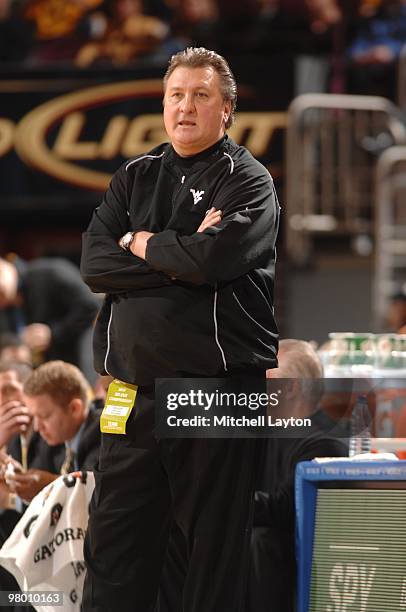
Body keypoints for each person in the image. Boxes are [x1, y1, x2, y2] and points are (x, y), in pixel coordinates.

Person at [80, 46, 280, 612]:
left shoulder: (250, 180)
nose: (185, 106)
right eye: (175, 94)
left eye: (200, 95)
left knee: (209, 559)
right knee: (114, 552)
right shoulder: (134, 175)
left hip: (213, 392)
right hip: (128, 392)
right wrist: (181, 252)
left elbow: (213, 262)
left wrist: (140, 243)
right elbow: (95, 265)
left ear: (227, 109)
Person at [246, 339, 348, 612]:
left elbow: (286, 509)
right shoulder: (257, 436)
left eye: (268, 378)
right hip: (257, 535)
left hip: (288, 549)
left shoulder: (325, 443)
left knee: (260, 541)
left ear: (289, 388)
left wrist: (222, 502)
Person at [5, 360, 102, 505]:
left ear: (75, 408)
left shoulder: (104, 433)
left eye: (44, 416)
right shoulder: (54, 438)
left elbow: (96, 492)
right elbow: (35, 482)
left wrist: (50, 486)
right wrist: (19, 478)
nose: (37, 427)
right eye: (34, 417)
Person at [0, 255, 99, 379]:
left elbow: (90, 307)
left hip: (83, 363)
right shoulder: (5, 310)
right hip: (44, 378)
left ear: (5, 265)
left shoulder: (51, 272)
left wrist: (52, 332)